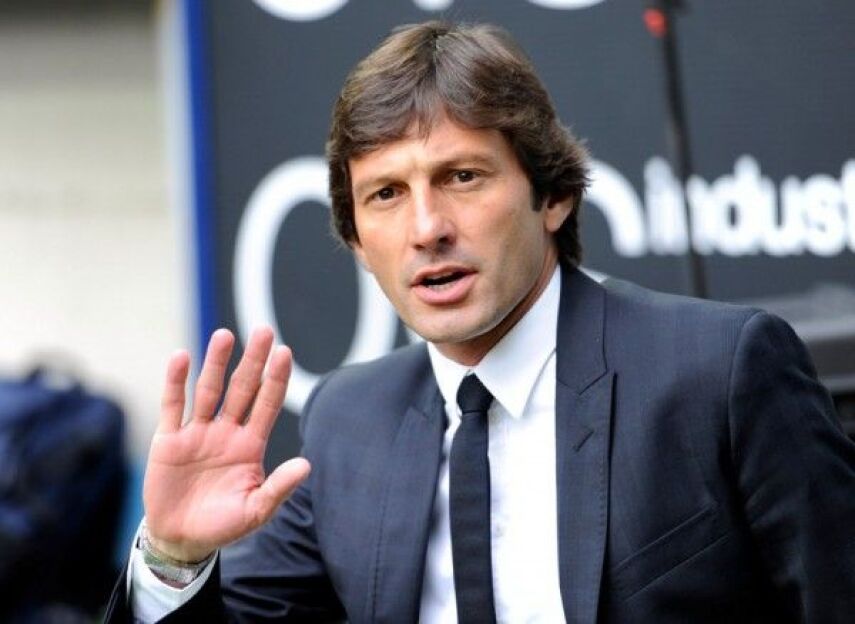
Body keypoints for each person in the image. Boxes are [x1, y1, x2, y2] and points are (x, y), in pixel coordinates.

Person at [106, 21, 855, 623]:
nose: (426, 228)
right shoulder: (348, 420)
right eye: (386, 194)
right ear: (357, 241)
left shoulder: (719, 373)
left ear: (552, 197)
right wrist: (174, 558)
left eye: (462, 177)